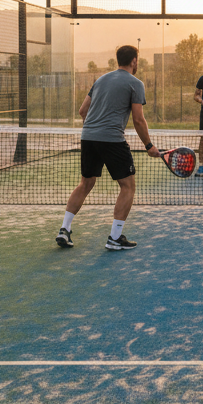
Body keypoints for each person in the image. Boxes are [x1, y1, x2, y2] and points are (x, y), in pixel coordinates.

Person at [56, 44, 160, 251]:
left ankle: (64, 229)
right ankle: (114, 237)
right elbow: (139, 120)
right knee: (128, 186)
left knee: (85, 183)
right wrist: (149, 146)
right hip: (112, 139)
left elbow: (82, 110)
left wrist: (95, 128)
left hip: (88, 137)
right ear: (134, 61)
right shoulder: (136, 83)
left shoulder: (101, 80)